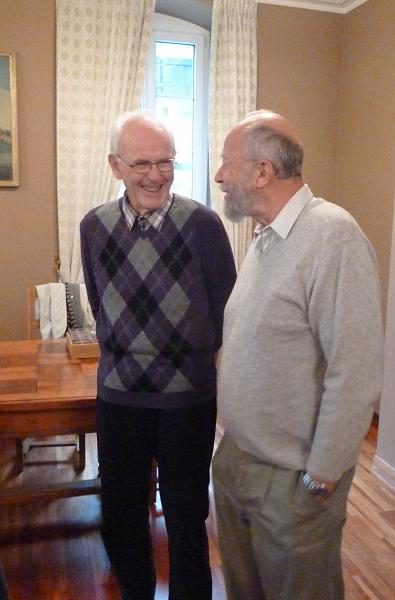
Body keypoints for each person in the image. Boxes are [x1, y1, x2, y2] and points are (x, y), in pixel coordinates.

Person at [212, 110, 384, 600]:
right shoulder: (266, 237)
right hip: (238, 460)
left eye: (227, 163)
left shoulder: (332, 235)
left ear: (262, 172)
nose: (219, 176)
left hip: (291, 482)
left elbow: (355, 371)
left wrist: (320, 479)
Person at [80, 111, 236, 600]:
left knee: (188, 516)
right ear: (116, 165)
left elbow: (226, 307)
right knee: (121, 512)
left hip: (187, 400)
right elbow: (100, 302)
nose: (155, 175)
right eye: (141, 163)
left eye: (165, 162)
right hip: (119, 396)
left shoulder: (204, 224)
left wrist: (191, 359)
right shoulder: (94, 227)